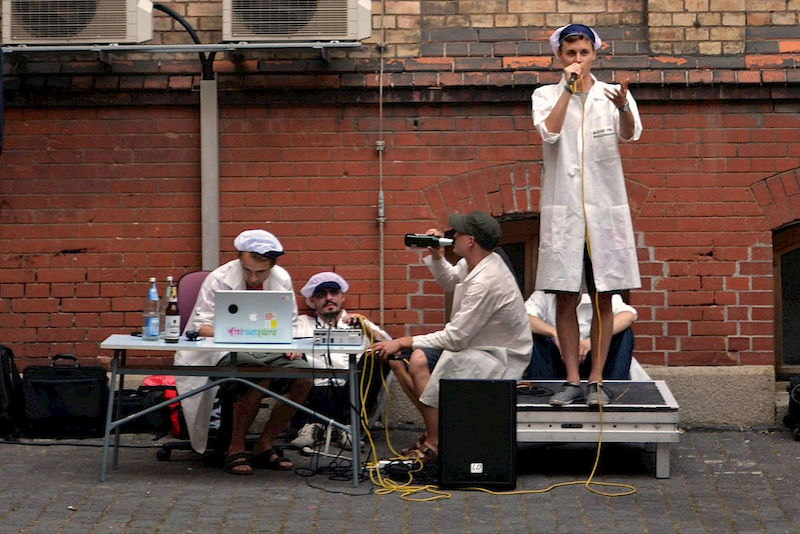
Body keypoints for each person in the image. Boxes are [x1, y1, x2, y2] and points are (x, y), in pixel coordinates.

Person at [531, 23, 643, 406]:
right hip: (564, 211)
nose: (577, 59)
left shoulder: (612, 94)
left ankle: (596, 380)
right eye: (570, 54)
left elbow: (630, 133)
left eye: (583, 53)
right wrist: (568, 88)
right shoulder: (545, 94)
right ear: (559, 57)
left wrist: (623, 106)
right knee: (565, 295)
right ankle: (572, 380)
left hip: (603, 211)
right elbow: (549, 132)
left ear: (594, 54)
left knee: (603, 295)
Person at [371, 211, 532, 465]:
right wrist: (437, 255)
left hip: (499, 356)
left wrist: (402, 341)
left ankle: (435, 444)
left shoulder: (488, 280)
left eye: (458, 232)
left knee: (418, 359)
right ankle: (436, 436)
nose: (453, 235)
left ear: (470, 241)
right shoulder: (477, 262)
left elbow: (456, 337)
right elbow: (452, 281)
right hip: (478, 346)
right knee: (412, 359)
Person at [174, 229, 312, 475]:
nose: (253, 277)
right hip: (223, 348)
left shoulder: (281, 277)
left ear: (272, 265)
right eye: (247, 270)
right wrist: (241, 333)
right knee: (257, 374)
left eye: (261, 272)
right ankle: (235, 449)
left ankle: (264, 444)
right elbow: (201, 326)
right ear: (239, 259)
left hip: (270, 348)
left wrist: (292, 347)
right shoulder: (219, 278)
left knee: (304, 378)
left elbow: (289, 323)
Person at [289, 271, 391, 451]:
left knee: (378, 357)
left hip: (351, 391)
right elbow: (284, 345)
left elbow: (389, 346)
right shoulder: (302, 323)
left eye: (334, 293)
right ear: (312, 301)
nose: (329, 298)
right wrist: (292, 350)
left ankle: (347, 428)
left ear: (342, 297)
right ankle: (311, 426)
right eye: (321, 295)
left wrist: (366, 329)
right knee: (294, 364)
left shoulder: (359, 322)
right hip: (314, 391)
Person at [524, 290, 636, 380]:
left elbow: (628, 315)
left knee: (624, 334)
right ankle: (543, 385)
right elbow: (524, 318)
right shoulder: (543, 295)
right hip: (556, 360)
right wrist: (555, 334)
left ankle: (615, 385)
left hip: (594, 359)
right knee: (532, 335)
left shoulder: (601, 292)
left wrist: (593, 341)